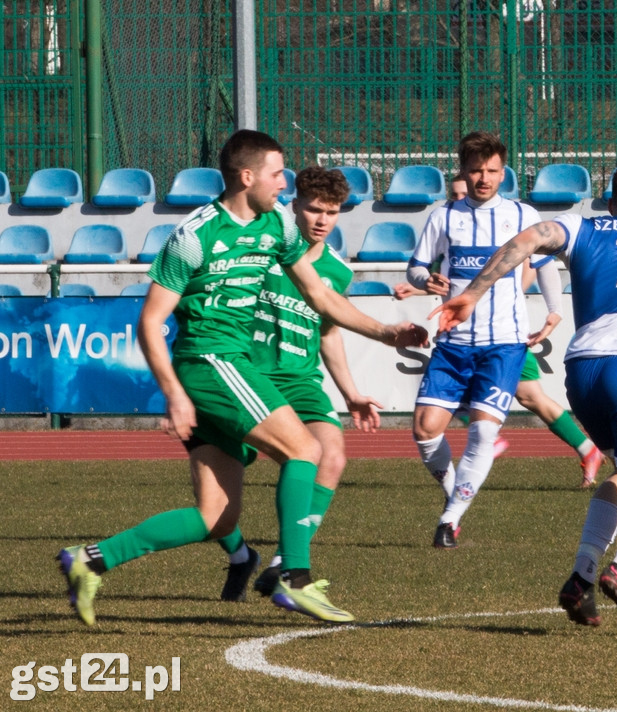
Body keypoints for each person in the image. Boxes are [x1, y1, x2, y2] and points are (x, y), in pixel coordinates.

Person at [57, 130, 427, 626]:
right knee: (306, 450)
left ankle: (91, 559)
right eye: (277, 173)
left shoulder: (277, 224)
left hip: (230, 367)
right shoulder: (195, 235)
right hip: (211, 361)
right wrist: (174, 395)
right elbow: (150, 321)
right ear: (247, 176)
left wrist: (387, 331)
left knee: (217, 517)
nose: (284, 182)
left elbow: (322, 298)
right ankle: (294, 577)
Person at [431, 162, 617, 634]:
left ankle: (581, 577)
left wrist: (473, 293)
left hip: (582, 370)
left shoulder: (582, 225)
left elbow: (526, 240)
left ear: (609, 199)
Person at [208, 166, 385, 599]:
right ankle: (239, 556)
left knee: (332, 454)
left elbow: (327, 331)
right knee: (218, 511)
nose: (322, 220)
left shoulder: (337, 273)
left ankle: (286, 562)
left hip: (302, 382)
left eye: (333, 212)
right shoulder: (262, 251)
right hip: (247, 379)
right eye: (314, 209)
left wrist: (351, 393)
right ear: (295, 204)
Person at [407, 131, 549, 548]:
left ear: (503, 172)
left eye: (491, 171)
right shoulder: (443, 216)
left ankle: (449, 520)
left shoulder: (524, 215)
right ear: (463, 172)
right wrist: (426, 279)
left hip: (502, 343)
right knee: (424, 429)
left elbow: (543, 266)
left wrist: (554, 312)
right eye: (475, 170)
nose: (483, 178)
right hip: (453, 343)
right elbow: (415, 270)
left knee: (482, 433)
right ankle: (456, 494)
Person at [394, 261, 603, 487]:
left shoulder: (514, 237)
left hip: (502, 338)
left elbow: (536, 264)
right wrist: (417, 288)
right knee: (528, 397)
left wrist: (546, 306)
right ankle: (586, 449)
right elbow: (464, 284)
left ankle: (490, 439)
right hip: (479, 337)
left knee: (526, 396)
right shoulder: (476, 244)